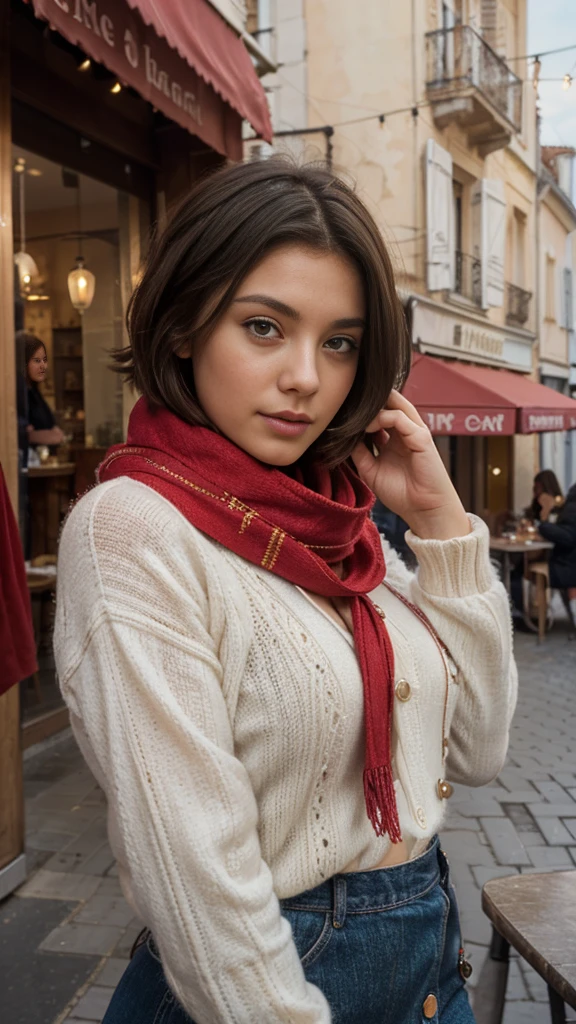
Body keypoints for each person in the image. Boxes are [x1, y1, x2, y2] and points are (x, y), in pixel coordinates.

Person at [53, 159, 517, 1024]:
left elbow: (478, 748)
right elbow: (193, 874)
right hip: (267, 984)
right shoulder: (133, 529)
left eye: (339, 342)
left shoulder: (343, 531)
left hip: (427, 968)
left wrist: (443, 524)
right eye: (265, 327)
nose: (308, 375)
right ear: (187, 325)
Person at [16, 331, 65, 459]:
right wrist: (40, 436)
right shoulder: (18, 393)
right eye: (37, 361)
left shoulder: (33, 391)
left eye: (44, 360)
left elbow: (50, 425)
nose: (43, 366)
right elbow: (20, 433)